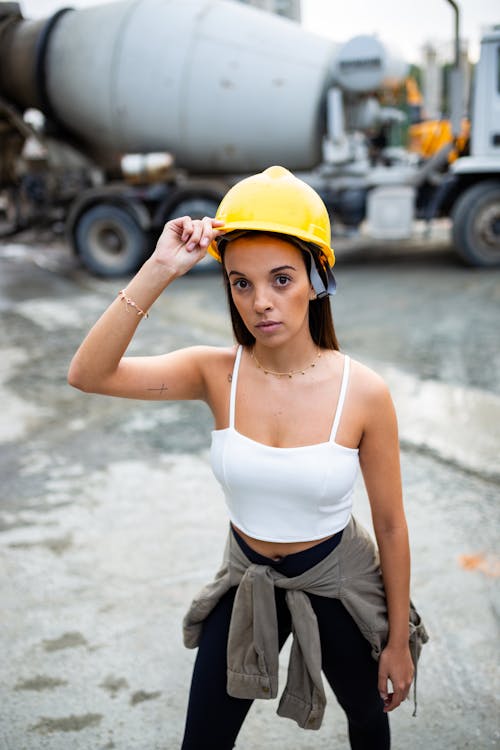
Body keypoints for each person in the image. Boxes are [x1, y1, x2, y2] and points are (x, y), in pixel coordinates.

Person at [68, 166, 427, 750]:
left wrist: (394, 645)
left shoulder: (362, 392)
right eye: (241, 283)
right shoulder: (216, 374)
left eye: (281, 279)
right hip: (247, 577)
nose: (261, 303)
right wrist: (160, 266)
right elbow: (88, 374)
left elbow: (390, 523)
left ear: (317, 278)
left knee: (367, 719)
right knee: (202, 741)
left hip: (338, 578)